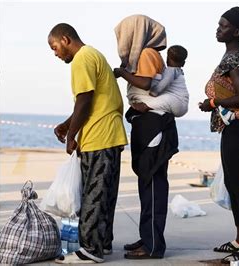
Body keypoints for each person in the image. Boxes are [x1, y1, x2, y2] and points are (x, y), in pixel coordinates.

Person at [47, 23, 128, 264]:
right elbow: (91, 101)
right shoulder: (94, 54)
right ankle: (103, 243)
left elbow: (84, 99)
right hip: (110, 135)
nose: (55, 53)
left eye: (54, 47)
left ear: (65, 39)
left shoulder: (82, 58)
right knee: (106, 194)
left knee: (93, 193)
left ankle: (90, 250)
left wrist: (71, 136)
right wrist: (67, 124)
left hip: (99, 137)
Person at [113, 14, 179, 260]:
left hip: (154, 128)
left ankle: (152, 246)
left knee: (152, 186)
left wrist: (120, 72)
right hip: (149, 126)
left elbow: (147, 83)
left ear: (135, 33)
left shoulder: (147, 54)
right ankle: (148, 237)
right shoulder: (143, 56)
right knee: (147, 186)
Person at [199, 6, 239, 263]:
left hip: (238, 127)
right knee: (234, 186)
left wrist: (212, 104)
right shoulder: (234, 55)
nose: (218, 29)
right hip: (233, 127)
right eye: (219, 24)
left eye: (223, 26)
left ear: (235, 31)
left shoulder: (235, 58)